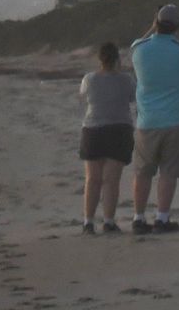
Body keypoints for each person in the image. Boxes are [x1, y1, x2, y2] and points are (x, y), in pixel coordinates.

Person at [127, 4, 179, 234]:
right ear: (177, 26)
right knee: (168, 172)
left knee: (143, 171)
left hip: (147, 121)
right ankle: (162, 218)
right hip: (176, 120)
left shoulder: (138, 48)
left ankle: (138, 217)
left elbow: (138, 44)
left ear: (155, 23)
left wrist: (153, 26)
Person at [77, 40, 136, 234]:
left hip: (93, 130)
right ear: (117, 59)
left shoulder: (90, 78)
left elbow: (83, 96)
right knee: (111, 180)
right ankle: (109, 221)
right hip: (118, 129)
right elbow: (131, 98)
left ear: (99, 59)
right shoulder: (126, 79)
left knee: (92, 179)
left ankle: (88, 222)